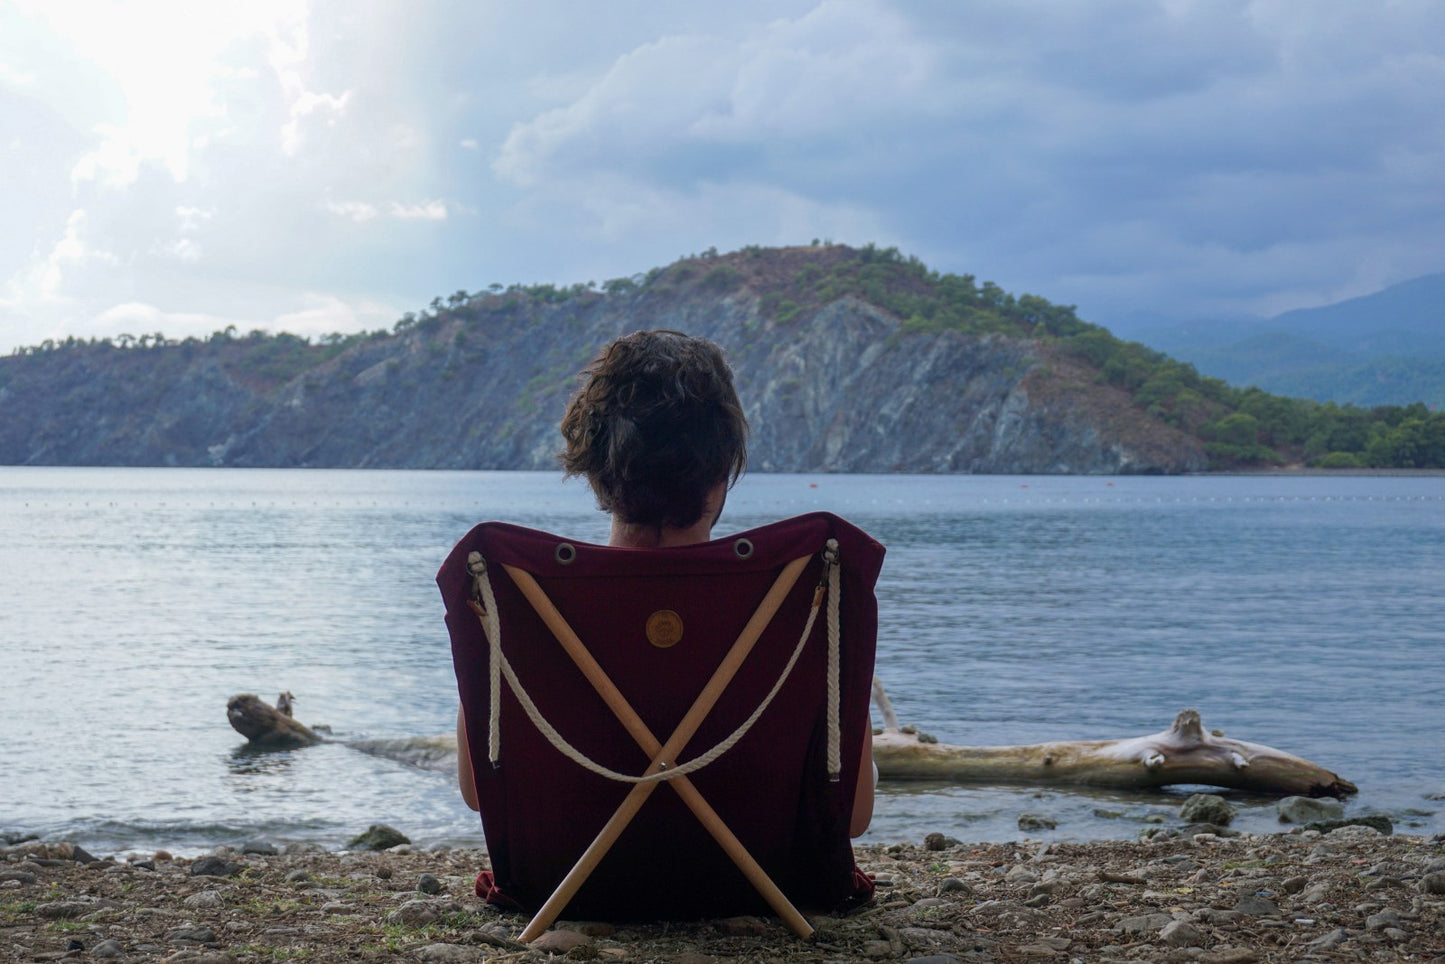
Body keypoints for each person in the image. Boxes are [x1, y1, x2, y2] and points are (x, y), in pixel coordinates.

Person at [456, 328, 874, 836]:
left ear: (594, 471)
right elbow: (852, 816)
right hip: (774, 885)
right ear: (722, 472)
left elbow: (480, 793)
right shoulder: (810, 585)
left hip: (562, 884)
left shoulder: (514, 590)